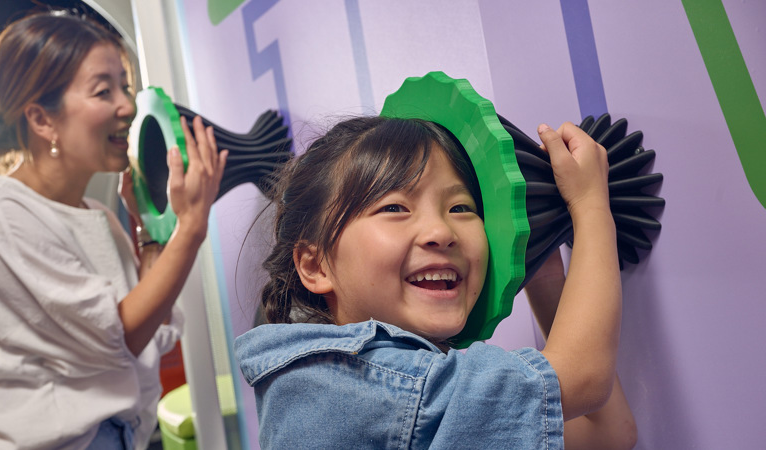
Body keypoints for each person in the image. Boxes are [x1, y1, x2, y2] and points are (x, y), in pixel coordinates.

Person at [234, 116, 637, 448]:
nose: (440, 231)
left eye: (459, 207)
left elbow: (608, 434)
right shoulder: (372, 388)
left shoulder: (376, 399)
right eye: (395, 207)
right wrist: (589, 205)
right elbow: (584, 376)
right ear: (315, 265)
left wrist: (545, 275)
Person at [0, 11, 227, 450]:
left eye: (124, 86)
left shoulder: (98, 217)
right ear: (42, 119)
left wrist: (146, 232)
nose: (127, 105)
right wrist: (191, 228)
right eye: (104, 91)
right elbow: (119, 337)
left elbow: (152, 333)